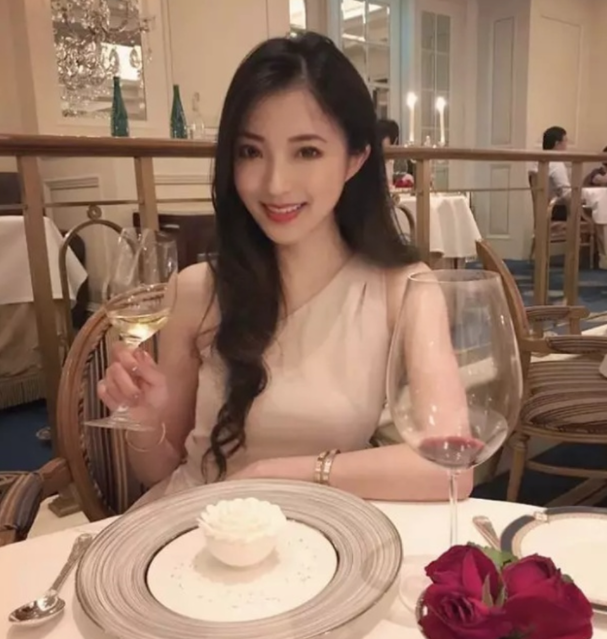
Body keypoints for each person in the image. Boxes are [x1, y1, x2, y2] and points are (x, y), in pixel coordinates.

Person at [98, 32, 472, 506]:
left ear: (355, 158)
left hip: (329, 532)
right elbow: (157, 472)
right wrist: (145, 421)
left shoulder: (403, 288)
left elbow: (451, 466)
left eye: (307, 151)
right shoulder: (194, 292)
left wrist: (278, 474)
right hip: (198, 524)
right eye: (251, 152)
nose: (275, 184)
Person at [540, 126, 570, 220]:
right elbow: (567, 194)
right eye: (565, 141)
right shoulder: (556, 164)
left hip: (542, 210)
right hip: (556, 211)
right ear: (557, 144)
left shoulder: (538, 162)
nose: (567, 145)